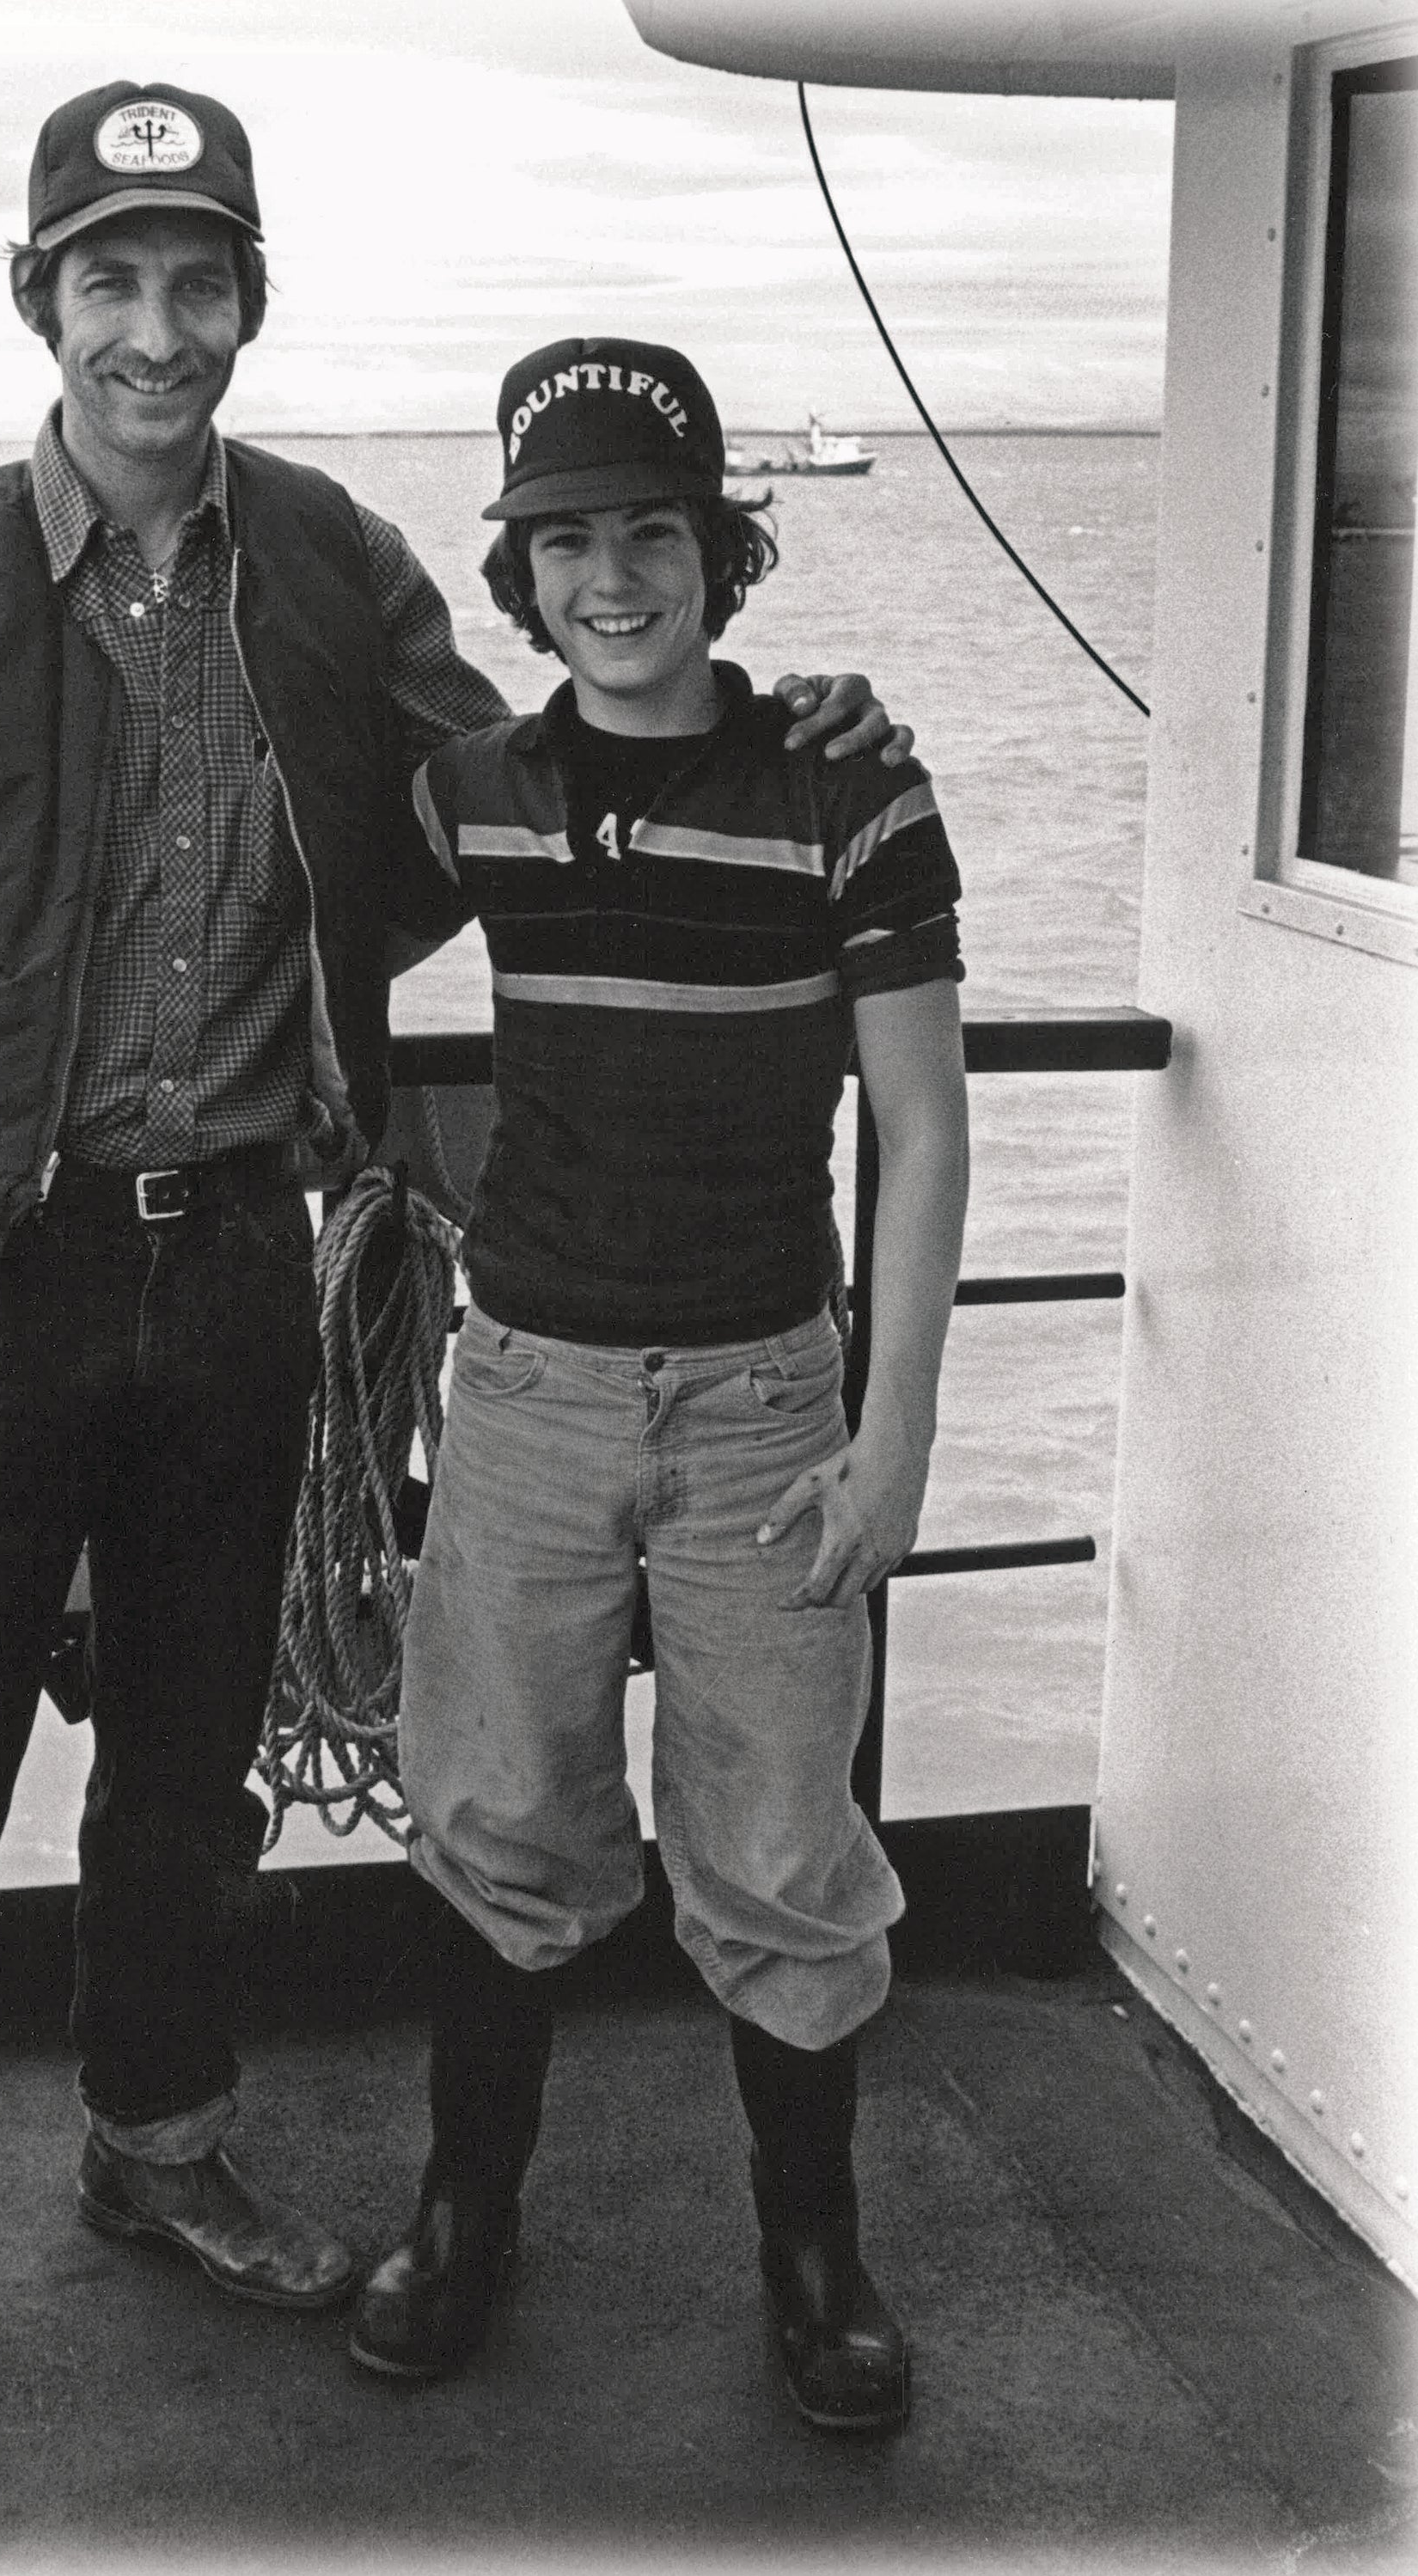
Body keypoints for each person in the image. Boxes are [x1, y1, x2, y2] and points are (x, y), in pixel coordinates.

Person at [0, 82, 917, 2444]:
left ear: (248, 305)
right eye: (111, 283)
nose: (156, 333)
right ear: (41, 302)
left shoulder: (331, 561)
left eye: (198, 284)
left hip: (248, 1265)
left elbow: (555, 767)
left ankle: (155, 2148)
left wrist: (792, 729)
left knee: (188, 1770)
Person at [347, 338, 969, 2436]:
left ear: (725, 551)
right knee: (499, 1822)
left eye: (655, 531)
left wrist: (896, 1443)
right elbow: (283, 938)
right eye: (569, 541)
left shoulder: (849, 786)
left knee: (786, 1849)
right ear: (518, 580)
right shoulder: (475, 796)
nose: (616, 576)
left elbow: (924, 1127)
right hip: (518, 1391)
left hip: (768, 1409)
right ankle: (467, 2211)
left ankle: (815, 2256)